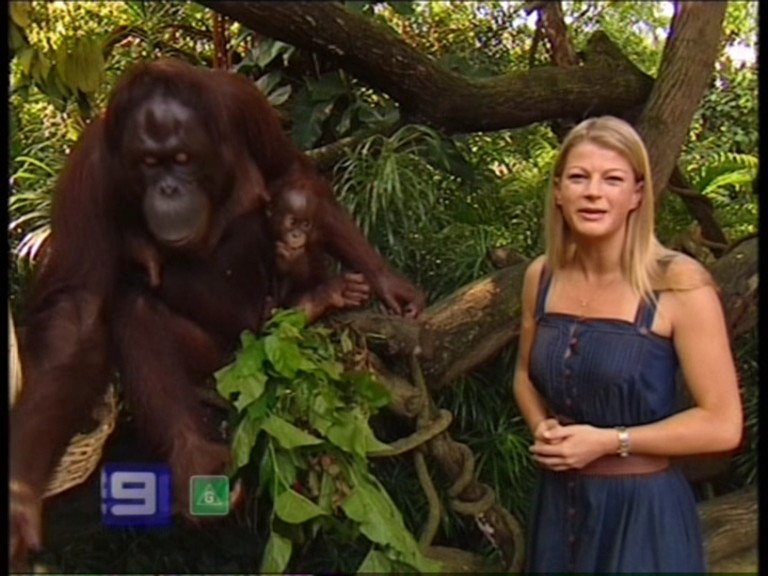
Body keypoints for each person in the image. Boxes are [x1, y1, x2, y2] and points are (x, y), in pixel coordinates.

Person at [512, 115, 743, 573]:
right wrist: (542, 427)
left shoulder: (679, 286)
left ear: (637, 194)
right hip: (558, 507)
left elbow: (722, 425)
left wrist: (610, 442)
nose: (593, 192)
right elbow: (523, 374)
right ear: (558, 191)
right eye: (579, 177)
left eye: (612, 179)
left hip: (642, 516)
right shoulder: (542, 276)